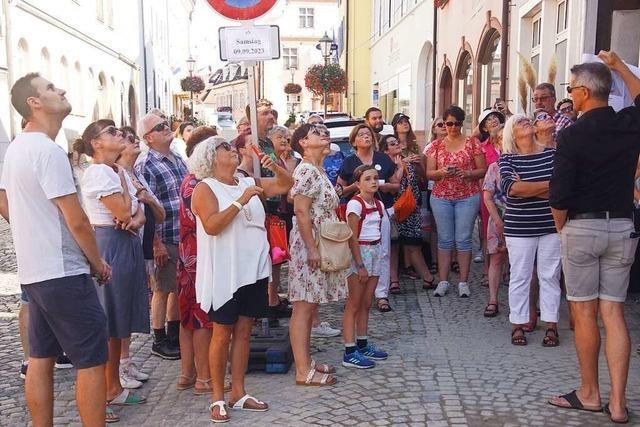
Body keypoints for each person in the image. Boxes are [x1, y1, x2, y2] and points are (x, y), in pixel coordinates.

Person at [0, 72, 111, 425]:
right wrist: (97, 262)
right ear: (33, 103)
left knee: (40, 357)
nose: (61, 89)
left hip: (35, 270)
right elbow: (75, 219)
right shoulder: (47, 151)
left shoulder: (18, 147)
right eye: (50, 88)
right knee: (92, 360)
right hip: (63, 270)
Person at [548, 52, 640, 424]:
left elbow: (558, 195)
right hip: (620, 225)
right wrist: (618, 66)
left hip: (582, 227)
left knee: (584, 313)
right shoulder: (628, 124)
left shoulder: (571, 135)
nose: (570, 94)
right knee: (613, 313)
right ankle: (618, 404)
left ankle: (589, 393)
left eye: (571, 89)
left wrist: (560, 228)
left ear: (584, 93)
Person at [190, 136, 293, 422]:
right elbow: (211, 226)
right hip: (226, 270)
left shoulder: (247, 181)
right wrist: (239, 202)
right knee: (221, 334)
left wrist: (278, 167)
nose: (232, 150)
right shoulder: (205, 188)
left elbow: (285, 186)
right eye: (224, 148)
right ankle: (217, 398)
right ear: (211, 158)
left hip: (253, 268)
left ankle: (239, 392)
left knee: (245, 331)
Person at [74, 120, 149, 415]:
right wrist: (131, 205)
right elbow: (124, 210)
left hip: (125, 240)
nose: (120, 135)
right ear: (96, 143)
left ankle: (114, 384)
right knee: (109, 318)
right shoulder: (100, 172)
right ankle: (106, 388)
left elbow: (139, 213)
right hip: (110, 241)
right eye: (112, 132)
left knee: (119, 321)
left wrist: (134, 210)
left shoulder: (117, 171)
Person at [288, 123, 347, 387]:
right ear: (302, 142)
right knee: (303, 306)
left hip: (319, 239)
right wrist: (311, 248)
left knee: (310, 305)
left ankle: (307, 362)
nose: (323, 134)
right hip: (309, 242)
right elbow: (301, 211)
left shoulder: (317, 170)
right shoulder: (307, 171)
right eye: (316, 132)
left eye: (324, 131)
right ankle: (302, 370)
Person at [498, 114, 561, 347]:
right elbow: (511, 189)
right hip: (519, 226)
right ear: (511, 134)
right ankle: (518, 324)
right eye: (518, 122)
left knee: (550, 275)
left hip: (550, 224)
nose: (525, 122)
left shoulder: (551, 154)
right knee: (520, 276)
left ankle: (551, 325)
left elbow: (561, 187)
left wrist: (527, 187)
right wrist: (548, 186)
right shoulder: (508, 159)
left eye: (527, 120)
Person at [135, 112, 188, 360]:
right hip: (164, 236)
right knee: (162, 289)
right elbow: (147, 205)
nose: (166, 128)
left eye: (166, 124)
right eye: (159, 127)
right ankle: (159, 338)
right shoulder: (147, 164)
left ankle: (174, 333)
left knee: (177, 288)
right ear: (148, 137)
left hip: (182, 233)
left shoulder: (177, 158)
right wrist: (156, 243)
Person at [116, 125, 166, 389]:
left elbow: (157, 212)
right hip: (126, 246)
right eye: (127, 139)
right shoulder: (116, 175)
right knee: (122, 307)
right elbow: (125, 216)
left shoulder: (136, 174)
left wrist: (146, 202)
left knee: (133, 306)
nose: (135, 141)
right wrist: (142, 212)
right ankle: (120, 365)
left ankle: (126, 360)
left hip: (142, 245)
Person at [425, 106, 486, 298]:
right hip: (441, 196)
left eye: (456, 123)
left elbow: (483, 169)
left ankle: (463, 282)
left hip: (467, 195)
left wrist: (468, 173)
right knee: (444, 239)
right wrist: (441, 173)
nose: (452, 127)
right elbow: (429, 173)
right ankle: (443, 281)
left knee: (463, 239)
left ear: (462, 124)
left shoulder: (472, 143)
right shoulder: (435, 146)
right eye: (448, 123)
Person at [175, 126, 218, 394]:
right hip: (199, 255)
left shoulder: (190, 180)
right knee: (202, 317)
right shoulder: (198, 185)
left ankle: (187, 373)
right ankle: (203, 377)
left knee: (188, 316)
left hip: (188, 255)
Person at [338, 124, 400, 308]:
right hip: (358, 210)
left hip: (382, 208)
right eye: (361, 134)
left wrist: (383, 186)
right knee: (357, 248)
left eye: (368, 134)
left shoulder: (382, 158)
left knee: (383, 250)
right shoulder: (349, 162)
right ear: (354, 141)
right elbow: (340, 189)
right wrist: (358, 186)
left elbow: (396, 185)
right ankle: (359, 291)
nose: (366, 137)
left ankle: (381, 294)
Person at [342, 165, 388, 368]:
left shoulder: (378, 204)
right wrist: (359, 263)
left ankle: (362, 342)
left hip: (375, 251)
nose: (373, 182)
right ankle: (349, 350)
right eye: (368, 179)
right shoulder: (355, 204)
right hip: (360, 252)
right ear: (358, 183)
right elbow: (351, 236)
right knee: (354, 302)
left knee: (366, 302)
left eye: (375, 178)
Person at [379, 134, 435, 297]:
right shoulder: (386, 164)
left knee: (413, 245)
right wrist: (401, 167)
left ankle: (426, 277)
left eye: (396, 142)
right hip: (394, 209)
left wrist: (416, 165)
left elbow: (420, 180)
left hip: (411, 209)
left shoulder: (405, 160)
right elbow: (391, 187)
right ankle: (394, 280)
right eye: (391, 143)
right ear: (385, 149)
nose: (396, 144)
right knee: (394, 246)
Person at [481, 125, 506, 317]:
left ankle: (527, 304)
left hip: (522, 218)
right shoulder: (494, 167)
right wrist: (497, 220)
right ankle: (493, 299)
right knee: (496, 259)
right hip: (498, 215)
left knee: (524, 264)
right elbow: (488, 196)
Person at [476, 109, 505, 266]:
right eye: (489, 119)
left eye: (496, 117)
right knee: (490, 231)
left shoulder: (509, 144)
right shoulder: (481, 147)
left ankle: (508, 271)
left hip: (509, 194)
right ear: (484, 128)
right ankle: (488, 271)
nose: (494, 120)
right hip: (489, 195)